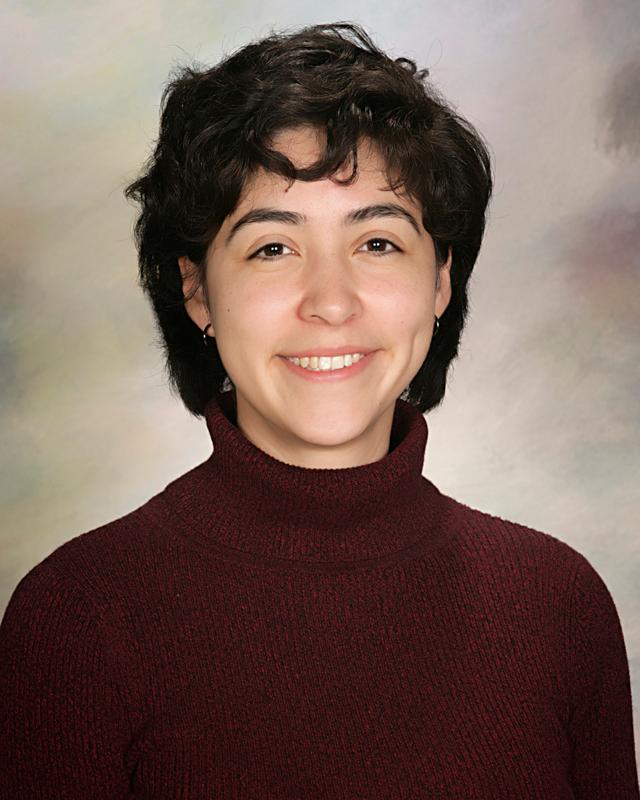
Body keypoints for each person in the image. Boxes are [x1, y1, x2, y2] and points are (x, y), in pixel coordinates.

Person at [0, 21, 638, 799]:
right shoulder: (76, 618)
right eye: (272, 248)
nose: (331, 302)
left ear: (441, 279)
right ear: (197, 289)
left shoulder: (559, 605)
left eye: (378, 243)